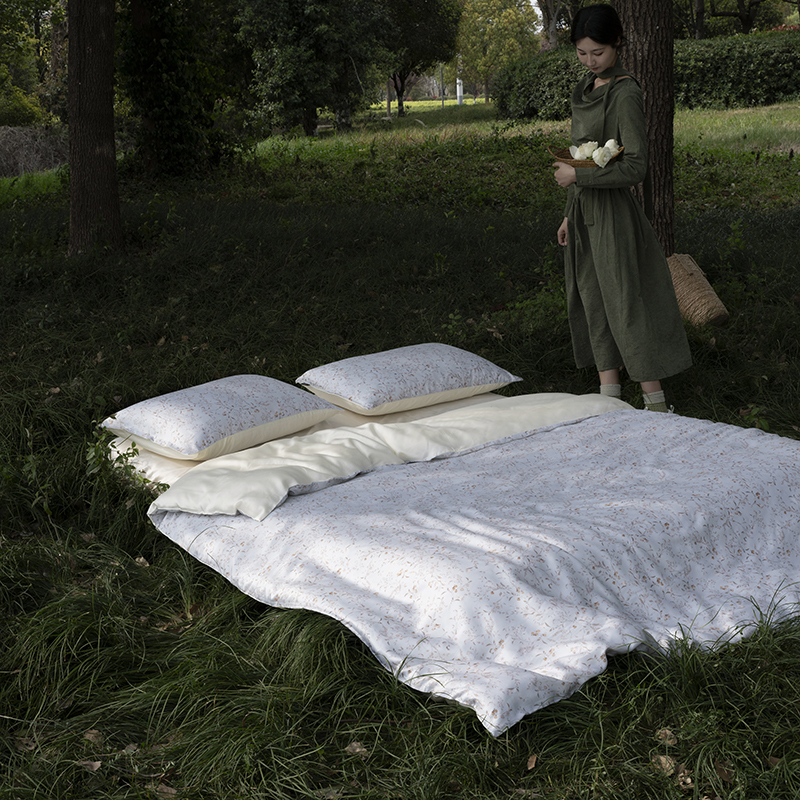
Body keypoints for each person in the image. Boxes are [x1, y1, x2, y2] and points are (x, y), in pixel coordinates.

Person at [553, 4, 691, 412]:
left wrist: (578, 178)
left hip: (612, 214)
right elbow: (581, 154)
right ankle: (609, 401)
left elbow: (635, 167)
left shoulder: (625, 92)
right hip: (584, 214)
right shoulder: (585, 89)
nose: (590, 61)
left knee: (624, 302)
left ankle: (656, 405)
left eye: (597, 52)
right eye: (582, 53)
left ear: (617, 42)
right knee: (593, 300)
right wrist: (568, 212)